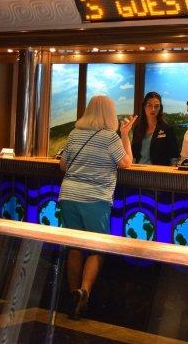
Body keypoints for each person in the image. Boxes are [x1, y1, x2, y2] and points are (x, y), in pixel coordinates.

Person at [58, 95, 136, 320]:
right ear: (110, 113)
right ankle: (84, 292)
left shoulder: (74, 134)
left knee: (74, 247)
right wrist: (125, 135)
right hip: (95, 199)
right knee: (97, 248)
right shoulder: (109, 138)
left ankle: (72, 296)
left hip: (69, 195)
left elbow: (63, 165)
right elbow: (126, 163)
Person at [131, 91, 179, 165]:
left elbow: (174, 155)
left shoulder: (167, 129)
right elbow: (133, 154)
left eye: (156, 106)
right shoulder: (138, 129)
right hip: (139, 169)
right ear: (144, 107)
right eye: (149, 105)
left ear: (160, 108)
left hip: (158, 170)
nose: (153, 109)